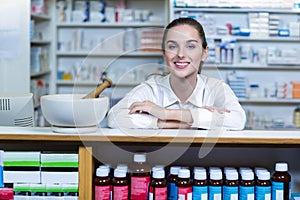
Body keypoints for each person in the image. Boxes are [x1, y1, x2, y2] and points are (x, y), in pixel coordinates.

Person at [107, 17, 246, 130]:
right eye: (172, 46)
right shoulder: (151, 88)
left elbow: (237, 120)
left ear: (204, 53)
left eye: (190, 46)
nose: (180, 54)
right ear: (164, 54)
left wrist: (166, 113)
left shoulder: (215, 88)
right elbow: (115, 117)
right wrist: (166, 123)